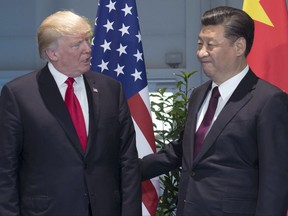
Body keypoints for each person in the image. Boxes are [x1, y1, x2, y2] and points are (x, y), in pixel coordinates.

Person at [141, 6, 288, 216]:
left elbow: (275, 181)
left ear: (239, 46)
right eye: (200, 44)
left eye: (211, 45)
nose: (201, 53)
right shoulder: (199, 95)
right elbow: (182, 150)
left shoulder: (269, 100)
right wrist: (126, 169)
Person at [0, 10, 141, 216]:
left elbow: (127, 160)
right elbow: (5, 169)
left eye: (87, 40)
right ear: (52, 54)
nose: (88, 49)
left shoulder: (112, 89)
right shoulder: (18, 95)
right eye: (77, 44)